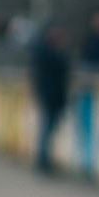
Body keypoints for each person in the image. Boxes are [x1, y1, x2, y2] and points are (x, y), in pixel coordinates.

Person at [29, 22, 73, 175]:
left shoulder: (46, 52)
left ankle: (44, 160)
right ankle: (43, 161)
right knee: (47, 130)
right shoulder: (48, 53)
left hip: (53, 96)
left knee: (48, 130)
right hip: (50, 96)